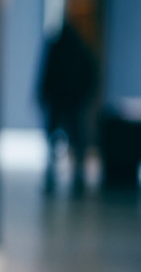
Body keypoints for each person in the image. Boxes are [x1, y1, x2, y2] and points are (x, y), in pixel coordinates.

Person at [37, 17, 98, 196]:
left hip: (63, 102)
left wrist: (43, 96)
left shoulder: (59, 49)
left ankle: (57, 179)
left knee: (59, 143)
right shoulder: (80, 49)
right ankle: (76, 180)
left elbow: (46, 74)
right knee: (74, 143)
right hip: (70, 103)